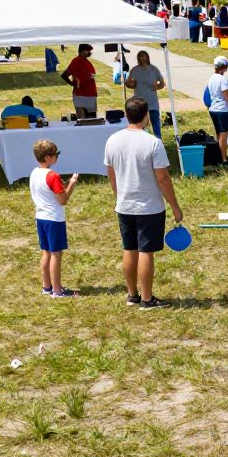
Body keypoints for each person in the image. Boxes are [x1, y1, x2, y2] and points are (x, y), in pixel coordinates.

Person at [103, 96, 184, 310]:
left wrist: (117, 194)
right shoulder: (153, 142)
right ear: (146, 115)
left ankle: (132, 295)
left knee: (129, 248)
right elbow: (163, 179)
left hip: (124, 204)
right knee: (146, 252)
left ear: (127, 114)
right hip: (149, 207)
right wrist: (175, 206)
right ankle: (147, 299)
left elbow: (110, 173)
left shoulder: (112, 140)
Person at [30, 140, 79, 298]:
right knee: (56, 254)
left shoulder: (34, 173)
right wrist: (71, 184)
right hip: (54, 219)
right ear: (48, 157)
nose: (57, 157)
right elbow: (63, 200)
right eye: (56, 154)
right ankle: (57, 290)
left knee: (46, 252)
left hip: (41, 217)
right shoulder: (53, 176)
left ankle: (46, 286)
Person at [206, 56, 228, 164]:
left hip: (213, 109)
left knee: (218, 133)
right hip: (222, 110)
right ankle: (223, 159)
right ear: (223, 67)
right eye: (226, 67)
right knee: (223, 135)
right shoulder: (223, 79)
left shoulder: (211, 78)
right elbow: (227, 97)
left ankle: (219, 156)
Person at [125, 50, 166, 137]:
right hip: (139, 101)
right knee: (140, 122)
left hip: (152, 100)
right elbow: (128, 83)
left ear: (147, 57)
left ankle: (158, 140)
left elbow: (162, 83)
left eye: (143, 56)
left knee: (155, 121)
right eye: (140, 56)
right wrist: (132, 86)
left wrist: (157, 87)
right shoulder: (135, 70)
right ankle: (141, 139)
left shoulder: (154, 69)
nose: (142, 58)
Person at [61, 43, 98, 118]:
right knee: (83, 120)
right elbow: (64, 75)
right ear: (82, 51)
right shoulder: (76, 61)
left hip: (90, 95)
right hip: (81, 95)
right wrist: (72, 84)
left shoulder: (86, 61)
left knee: (92, 120)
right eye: (88, 51)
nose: (90, 53)